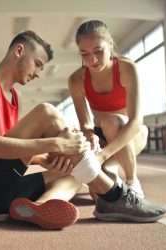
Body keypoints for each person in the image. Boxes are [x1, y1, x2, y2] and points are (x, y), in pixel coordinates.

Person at [0, 30, 166, 230]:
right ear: (19, 51)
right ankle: (114, 195)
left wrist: (45, 159)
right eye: (38, 64)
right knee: (46, 112)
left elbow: (8, 151)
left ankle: (40, 206)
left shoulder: (13, 97)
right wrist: (56, 144)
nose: (39, 73)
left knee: (74, 171)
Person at [68, 20, 148, 198]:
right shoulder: (76, 80)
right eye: (84, 53)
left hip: (132, 134)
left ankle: (132, 181)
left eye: (98, 51)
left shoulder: (127, 69)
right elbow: (86, 124)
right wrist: (89, 135)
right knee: (98, 196)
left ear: (110, 45)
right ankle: (111, 168)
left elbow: (136, 122)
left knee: (112, 122)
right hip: (103, 139)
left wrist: (102, 156)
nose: (92, 60)